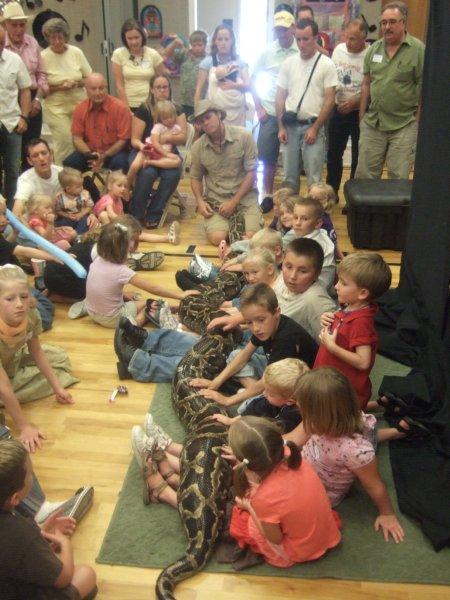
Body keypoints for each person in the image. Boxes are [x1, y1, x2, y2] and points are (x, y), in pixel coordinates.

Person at [288, 368, 405, 543]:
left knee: (283, 510)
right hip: (305, 467)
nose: (296, 405)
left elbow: (375, 486)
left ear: (319, 412)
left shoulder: (356, 452)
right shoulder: (318, 420)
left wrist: (387, 513)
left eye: (301, 405)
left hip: (322, 491)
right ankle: (397, 431)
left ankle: (399, 432)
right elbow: (294, 439)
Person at [225, 416, 341, 567]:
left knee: (248, 524)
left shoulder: (263, 498)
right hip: (327, 533)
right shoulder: (294, 458)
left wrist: (249, 508)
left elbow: (275, 539)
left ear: (245, 462)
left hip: (301, 551)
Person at [190, 283, 318, 408]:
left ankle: (260, 396)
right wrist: (215, 383)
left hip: (298, 383)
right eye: (249, 322)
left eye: (261, 320)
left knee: (250, 404)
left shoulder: (286, 338)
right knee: (235, 355)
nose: (255, 328)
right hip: (275, 369)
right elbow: (245, 354)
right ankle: (258, 394)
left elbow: (267, 380)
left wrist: (228, 400)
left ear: (277, 312)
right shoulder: (266, 328)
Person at [0, 439, 97, 599]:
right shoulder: (21, 533)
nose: (32, 475)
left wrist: (41, 529)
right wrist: (66, 544)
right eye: (31, 473)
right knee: (86, 574)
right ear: (15, 498)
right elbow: (63, 579)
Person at [0, 265, 77, 452]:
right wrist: (24, 427)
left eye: (24, 297)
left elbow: (37, 351)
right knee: (6, 391)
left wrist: (57, 387)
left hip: (11, 358)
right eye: (10, 299)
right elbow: (4, 386)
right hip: (3, 376)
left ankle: (12, 396)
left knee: (59, 357)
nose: (19, 304)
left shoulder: (30, 314)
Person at [355, 1, 425, 180]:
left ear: (403, 23)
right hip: (373, 123)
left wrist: (416, 121)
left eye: (392, 22)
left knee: (398, 179)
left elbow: (423, 87)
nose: (387, 27)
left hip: (404, 125)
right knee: (365, 178)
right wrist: (362, 116)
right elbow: (366, 84)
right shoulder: (374, 50)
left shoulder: (418, 50)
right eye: (384, 22)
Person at [315, 251, 392, 409]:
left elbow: (363, 362)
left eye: (343, 283)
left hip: (342, 393)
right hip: (330, 381)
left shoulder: (361, 323)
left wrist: (332, 347)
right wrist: (329, 318)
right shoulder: (350, 307)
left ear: (363, 293)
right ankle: (373, 405)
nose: (336, 286)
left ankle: (363, 413)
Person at [84, 221, 197, 328]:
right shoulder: (121, 271)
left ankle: (175, 308)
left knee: (142, 303)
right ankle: (133, 326)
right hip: (111, 318)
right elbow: (153, 288)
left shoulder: (97, 260)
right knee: (150, 306)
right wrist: (180, 295)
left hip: (92, 312)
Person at [276, 18, 338, 192]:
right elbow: (280, 96)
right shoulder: (288, 63)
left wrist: (316, 128)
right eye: (298, 39)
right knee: (289, 179)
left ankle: (316, 210)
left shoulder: (327, 64)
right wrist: (280, 127)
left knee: (315, 180)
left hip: (313, 126)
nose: (301, 44)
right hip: (290, 126)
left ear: (316, 38)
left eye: (306, 39)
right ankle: (289, 210)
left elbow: (330, 100)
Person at [190, 99, 262, 246]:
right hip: (217, 200)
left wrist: (234, 202)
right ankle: (224, 226)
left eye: (208, 117)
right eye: (201, 121)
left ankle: (248, 222)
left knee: (251, 239)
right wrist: (200, 201)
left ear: (218, 114)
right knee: (218, 238)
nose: (205, 123)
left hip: (245, 198)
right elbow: (195, 177)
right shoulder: (198, 146)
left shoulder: (244, 136)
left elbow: (252, 173)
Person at [251, 10, 298, 213]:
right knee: (267, 158)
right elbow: (252, 80)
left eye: (285, 29)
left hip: (294, 113)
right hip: (269, 112)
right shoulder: (267, 52)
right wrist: (258, 107)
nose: (281, 33)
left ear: (293, 28)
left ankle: (290, 199)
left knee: (292, 161)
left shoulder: (301, 50)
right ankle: (268, 196)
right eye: (278, 30)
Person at [129, 74, 187, 228]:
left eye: (165, 87)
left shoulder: (177, 109)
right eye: (158, 87)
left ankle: (154, 213)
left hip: (168, 152)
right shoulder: (144, 109)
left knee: (172, 174)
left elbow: (183, 137)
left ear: (169, 89)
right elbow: (135, 139)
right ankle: (136, 214)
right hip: (145, 150)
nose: (162, 90)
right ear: (152, 89)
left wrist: (163, 139)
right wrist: (146, 146)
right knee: (147, 173)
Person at [2, 2, 49, 170]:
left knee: (31, 150)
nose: (19, 29)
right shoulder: (2, 44)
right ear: (5, 25)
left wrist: (37, 100)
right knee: (11, 154)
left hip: (33, 97)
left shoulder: (33, 43)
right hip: (9, 99)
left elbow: (42, 75)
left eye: (22, 25)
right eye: (14, 25)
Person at [40, 18, 92, 165]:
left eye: (60, 37)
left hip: (79, 104)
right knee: (65, 141)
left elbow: (89, 78)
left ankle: (82, 173)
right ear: (47, 38)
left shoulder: (76, 52)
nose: (57, 41)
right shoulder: (43, 56)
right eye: (53, 38)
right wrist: (60, 87)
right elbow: (42, 89)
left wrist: (76, 83)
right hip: (56, 107)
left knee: (83, 140)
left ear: (66, 37)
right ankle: (64, 174)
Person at [326, 19, 368, 194]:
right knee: (334, 154)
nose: (348, 42)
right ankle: (331, 193)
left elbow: (372, 86)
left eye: (353, 39)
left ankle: (353, 196)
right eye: (346, 37)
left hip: (359, 112)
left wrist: (355, 102)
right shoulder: (338, 50)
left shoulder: (370, 54)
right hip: (338, 110)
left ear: (364, 38)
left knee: (358, 156)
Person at [213, 358, 307, 433]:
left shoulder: (293, 416)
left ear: (289, 401)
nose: (264, 393)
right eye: (265, 389)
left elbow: (274, 438)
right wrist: (231, 421)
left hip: (282, 440)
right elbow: (256, 407)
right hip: (273, 417)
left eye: (270, 393)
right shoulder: (276, 400)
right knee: (247, 407)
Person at [64, 73, 131, 174]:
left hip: (113, 153)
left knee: (121, 163)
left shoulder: (120, 108)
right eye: (93, 89)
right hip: (90, 153)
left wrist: (104, 156)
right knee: (69, 164)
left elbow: (123, 140)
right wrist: (89, 154)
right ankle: (85, 184)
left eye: (101, 88)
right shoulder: (80, 108)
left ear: (107, 88)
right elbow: (77, 139)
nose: (98, 92)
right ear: (86, 90)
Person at [194, 24, 250, 127]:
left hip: (237, 114)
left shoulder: (240, 62)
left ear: (232, 41)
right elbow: (198, 91)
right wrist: (197, 115)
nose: (223, 43)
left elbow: (249, 86)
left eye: (226, 39)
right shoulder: (207, 62)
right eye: (220, 39)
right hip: (214, 114)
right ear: (215, 41)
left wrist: (234, 85)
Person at [0, 24, 31, 207]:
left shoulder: (14, 59)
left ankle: (11, 210)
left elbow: (25, 89)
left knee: (13, 170)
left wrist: (24, 117)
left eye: (1, 42)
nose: (0, 46)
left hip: (12, 122)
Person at [111, 18, 165, 112]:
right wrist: (127, 110)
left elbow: (162, 82)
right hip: (129, 105)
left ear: (142, 37)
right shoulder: (118, 54)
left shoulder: (153, 54)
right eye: (130, 38)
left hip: (151, 105)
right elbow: (119, 86)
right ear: (124, 38)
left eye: (136, 37)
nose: (134, 42)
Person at [285, 197, 336, 292]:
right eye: (295, 217)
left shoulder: (318, 245)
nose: (297, 223)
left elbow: (324, 283)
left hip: (315, 290)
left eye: (304, 219)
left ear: (318, 223)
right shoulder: (303, 231)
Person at [128, 100, 181, 186]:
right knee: (135, 166)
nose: (169, 120)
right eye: (165, 118)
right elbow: (155, 143)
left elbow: (178, 142)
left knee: (177, 161)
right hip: (150, 149)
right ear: (160, 119)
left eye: (171, 117)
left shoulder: (176, 128)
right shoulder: (158, 127)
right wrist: (167, 154)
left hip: (162, 155)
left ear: (175, 115)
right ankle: (127, 186)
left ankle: (150, 162)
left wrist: (170, 149)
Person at [162, 30, 207, 119]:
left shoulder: (208, 59)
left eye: (200, 45)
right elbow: (166, 55)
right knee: (186, 123)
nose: (197, 48)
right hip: (185, 100)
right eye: (194, 45)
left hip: (202, 100)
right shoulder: (185, 55)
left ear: (205, 44)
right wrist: (174, 44)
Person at [13, 138, 62, 218]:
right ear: (29, 161)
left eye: (44, 153)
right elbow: (16, 212)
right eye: (35, 156)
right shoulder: (25, 179)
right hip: (34, 222)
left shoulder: (61, 173)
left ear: (51, 155)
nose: (41, 158)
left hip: (59, 218)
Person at [55, 167, 97, 233]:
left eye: (82, 185)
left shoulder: (84, 194)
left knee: (85, 222)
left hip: (82, 216)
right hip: (67, 218)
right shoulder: (59, 198)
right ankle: (67, 235)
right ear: (68, 189)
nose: (82, 187)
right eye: (78, 187)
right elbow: (58, 210)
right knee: (60, 223)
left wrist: (81, 214)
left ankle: (77, 235)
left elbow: (89, 206)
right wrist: (67, 215)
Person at [307, 182, 343, 259]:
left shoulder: (323, 218)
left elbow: (333, 241)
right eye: (310, 197)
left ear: (328, 201)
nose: (313, 201)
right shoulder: (322, 216)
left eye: (318, 199)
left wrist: (342, 258)